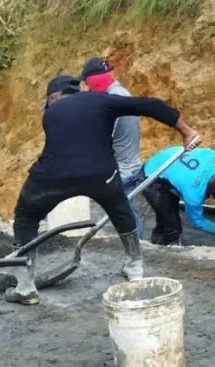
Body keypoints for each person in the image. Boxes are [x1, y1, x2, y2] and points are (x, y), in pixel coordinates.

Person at [5, 75, 199, 306]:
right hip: (100, 173)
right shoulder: (101, 100)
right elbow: (152, 105)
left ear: (53, 97)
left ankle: (25, 288)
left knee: (26, 218)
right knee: (121, 211)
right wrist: (186, 132)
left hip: (52, 175)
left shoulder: (50, 113)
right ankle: (135, 268)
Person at [79, 57, 145, 239]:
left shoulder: (113, 100)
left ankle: (134, 249)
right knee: (129, 213)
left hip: (121, 171)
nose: (87, 88)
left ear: (94, 80)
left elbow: (101, 139)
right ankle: (135, 248)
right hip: (128, 166)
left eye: (87, 83)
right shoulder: (122, 94)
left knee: (125, 217)